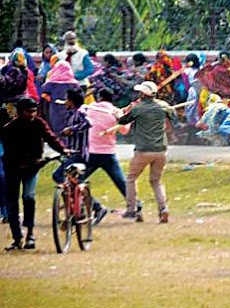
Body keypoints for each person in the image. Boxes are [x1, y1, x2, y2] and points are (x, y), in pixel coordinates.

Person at [2, 97, 70, 251]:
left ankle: (30, 234)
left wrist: (62, 150)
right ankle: (17, 238)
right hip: (13, 169)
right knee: (12, 203)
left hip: (32, 168)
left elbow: (50, 138)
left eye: (34, 111)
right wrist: (24, 161)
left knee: (29, 196)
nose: (32, 114)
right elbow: (10, 152)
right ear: (20, 112)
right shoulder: (9, 128)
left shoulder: (39, 124)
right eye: (28, 111)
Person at [118, 81, 176, 223]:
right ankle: (163, 209)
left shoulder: (138, 108)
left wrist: (121, 112)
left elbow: (122, 120)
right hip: (161, 150)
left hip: (143, 150)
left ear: (142, 94)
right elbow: (174, 117)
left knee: (131, 178)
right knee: (156, 181)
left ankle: (132, 209)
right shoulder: (163, 106)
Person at [53, 89, 109, 225]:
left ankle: (92, 206)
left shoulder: (80, 113)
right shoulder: (71, 115)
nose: (65, 103)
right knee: (70, 183)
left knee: (60, 177)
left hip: (78, 154)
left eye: (67, 100)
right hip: (71, 153)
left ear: (71, 102)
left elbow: (87, 124)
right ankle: (81, 208)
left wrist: (71, 129)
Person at [82, 88, 139, 213]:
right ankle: (136, 205)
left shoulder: (91, 108)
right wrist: (128, 116)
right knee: (121, 182)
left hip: (91, 153)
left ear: (99, 98)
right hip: (108, 154)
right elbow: (124, 130)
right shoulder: (114, 112)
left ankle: (96, 207)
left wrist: (126, 112)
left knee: (77, 183)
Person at [41, 60, 80, 133]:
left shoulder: (51, 82)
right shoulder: (74, 83)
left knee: (57, 128)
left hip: (55, 108)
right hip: (70, 108)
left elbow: (44, 93)